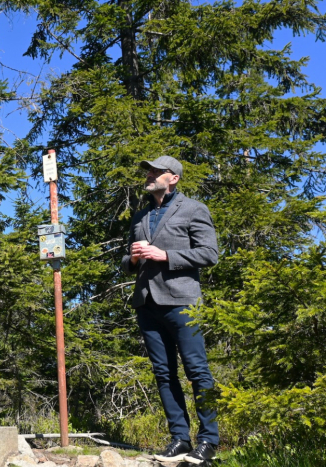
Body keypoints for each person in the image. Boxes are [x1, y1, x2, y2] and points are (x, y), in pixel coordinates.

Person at [120, 156, 219, 465]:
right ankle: (179, 438)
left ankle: (209, 440)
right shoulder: (141, 216)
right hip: (147, 303)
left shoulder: (193, 209)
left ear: (173, 177)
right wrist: (134, 260)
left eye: (154, 171)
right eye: (148, 171)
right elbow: (126, 263)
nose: (148, 175)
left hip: (182, 302)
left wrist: (165, 255)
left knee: (197, 371)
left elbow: (209, 253)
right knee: (164, 374)